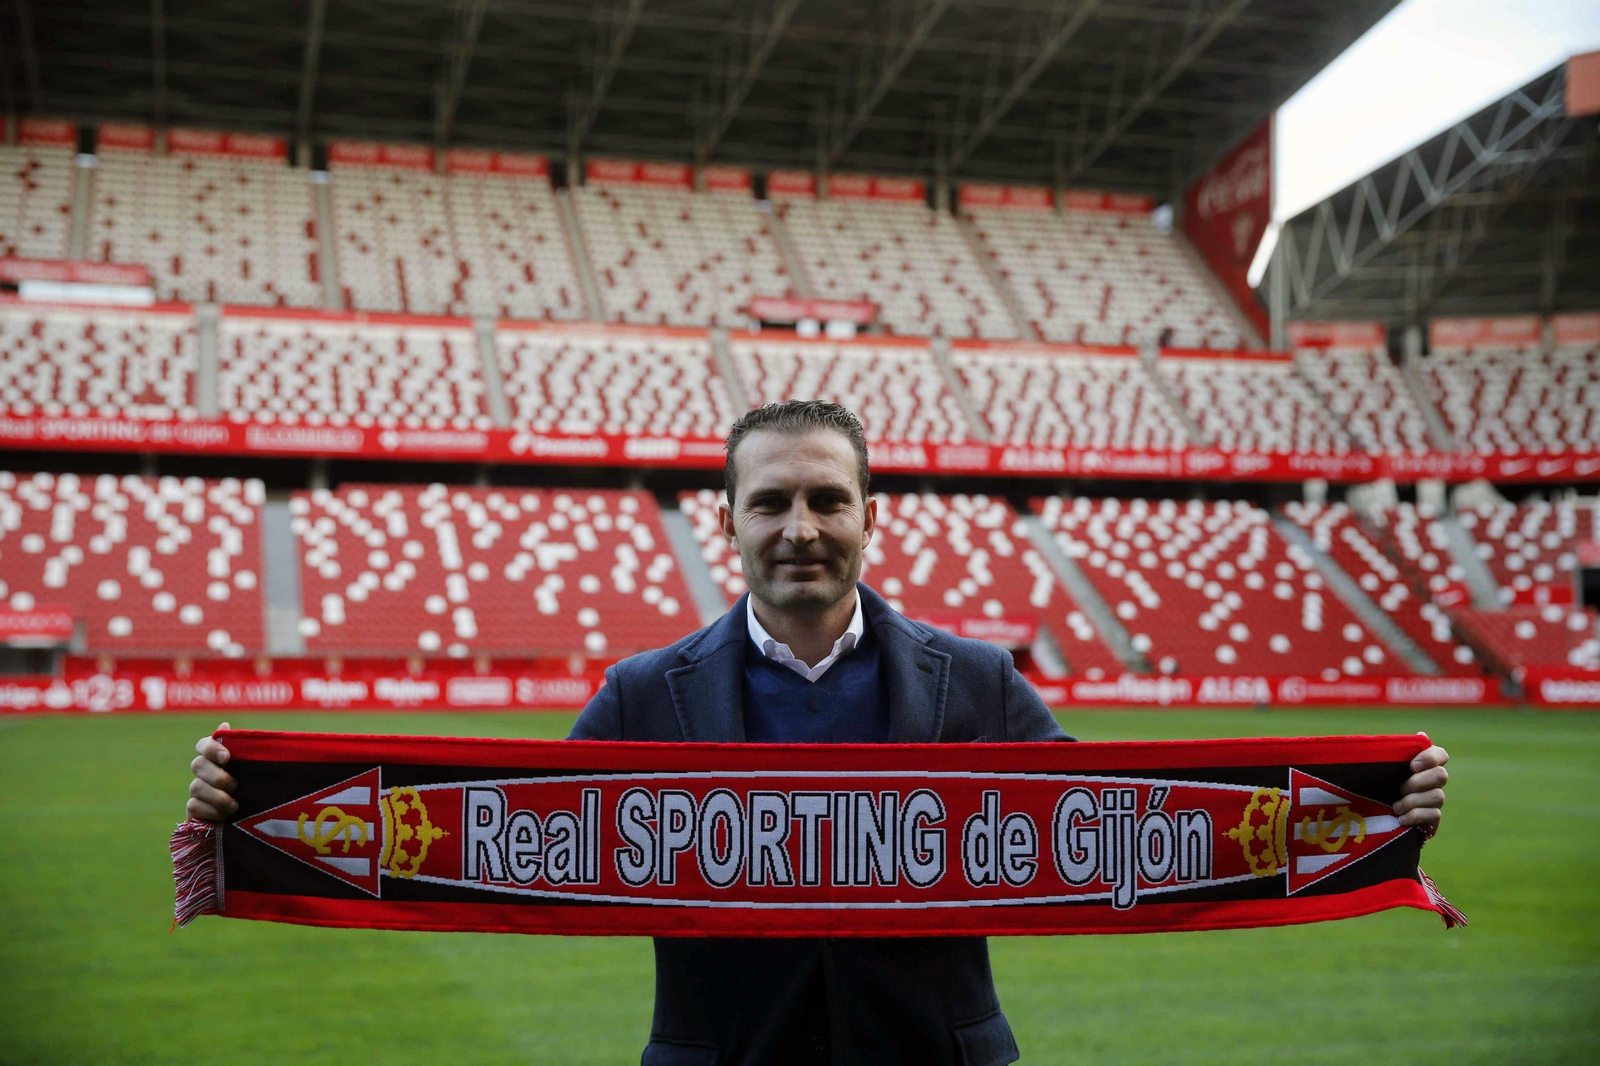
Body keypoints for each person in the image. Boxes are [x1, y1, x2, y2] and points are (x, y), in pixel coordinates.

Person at [185, 400, 1450, 1065]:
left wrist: (1357, 814)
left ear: (868, 517)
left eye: (826, 499)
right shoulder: (640, 693)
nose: (801, 524)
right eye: (772, 500)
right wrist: (269, 812)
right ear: (725, 519)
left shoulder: (979, 682)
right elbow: (499, 845)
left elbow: (1119, 833)